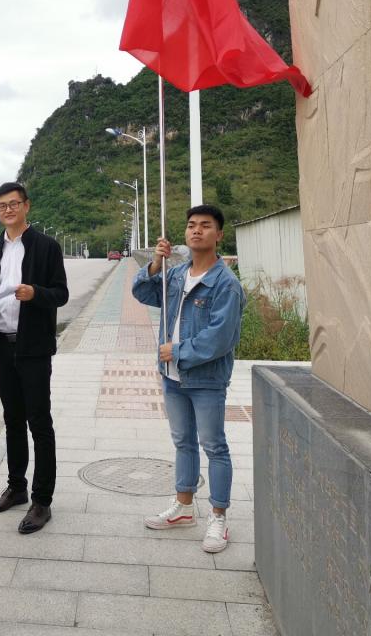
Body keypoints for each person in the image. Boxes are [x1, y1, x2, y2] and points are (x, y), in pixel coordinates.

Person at [131, 205, 245, 553]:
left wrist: (178, 351)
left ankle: (219, 516)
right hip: (172, 377)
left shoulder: (226, 284)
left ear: (219, 235)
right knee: (183, 442)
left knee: (214, 446)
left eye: (205, 226)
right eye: (192, 225)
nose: (197, 230)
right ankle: (183, 507)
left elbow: (221, 337)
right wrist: (155, 263)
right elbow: (143, 292)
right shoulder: (177, 274)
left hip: (205, 379)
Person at [0, 182, 68, 534]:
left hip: (33, 348)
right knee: (12, 419)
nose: (8, 210)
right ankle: (16, 488)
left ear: (26, 206)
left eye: (13, 204)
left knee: (39, 422)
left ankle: (42, 500)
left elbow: (60, 294)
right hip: (2, 344)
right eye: (1, 206)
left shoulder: (46, 246)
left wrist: (34, 292)